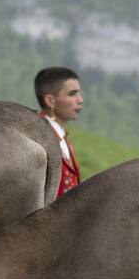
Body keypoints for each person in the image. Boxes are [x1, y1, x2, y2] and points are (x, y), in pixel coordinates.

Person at [35, 66, 83, 198]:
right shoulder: (39, 137)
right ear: (50, 101)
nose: (80, 100)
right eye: (72, 94)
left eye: (79, 93)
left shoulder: (60, 135)